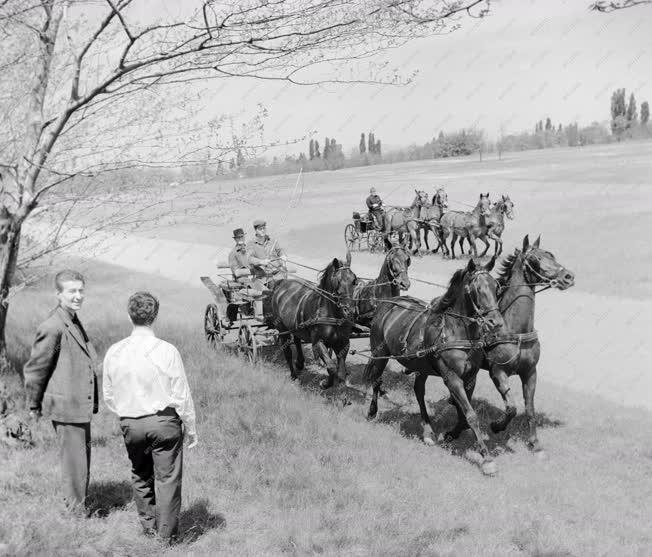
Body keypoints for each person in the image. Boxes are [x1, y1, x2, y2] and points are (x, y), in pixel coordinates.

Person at [103, 291, 198, 542]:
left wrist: (128, 414)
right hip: (164, 423)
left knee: (140, 474)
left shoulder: (114, 351)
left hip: (131, 424)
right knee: (168, 479)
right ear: (155, 316)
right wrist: (191, 426)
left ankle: (148, 529)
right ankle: (165, 538)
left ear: (128, 315)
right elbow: (181, 393)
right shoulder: (167, 350)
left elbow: (109, 395)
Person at [23, 269, 98, 514]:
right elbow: (36, 369)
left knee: (81, 463)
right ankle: (76, 516)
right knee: (75, 464)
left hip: (78, 405)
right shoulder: (53, 325)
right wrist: (33, 406)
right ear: (58, 294)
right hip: (67, 407)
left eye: (80, 290)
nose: (78, 296)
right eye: (71, 291)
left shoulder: (72, 318)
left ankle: (78, 508)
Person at [246, 219, 286, 285]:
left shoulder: (272, 240)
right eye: (260, 229)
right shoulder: (251, 244)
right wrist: (260, 261)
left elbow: (279, 250)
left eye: (264, 228)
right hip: (263, 277)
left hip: (278, 274)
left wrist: (283, 255)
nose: (263, 230)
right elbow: (249, 258)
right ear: (255, 230)